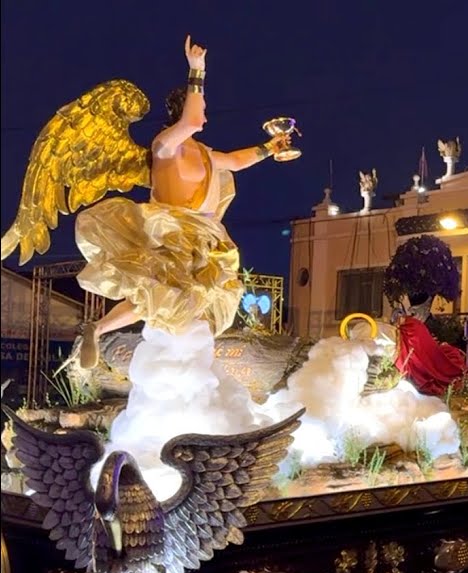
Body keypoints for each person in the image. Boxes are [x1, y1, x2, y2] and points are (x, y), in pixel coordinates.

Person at [1, 36, 293, 369]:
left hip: (206, 234)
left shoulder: (205, 153)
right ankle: (134, 346)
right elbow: (194, 121)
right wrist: (197, 71)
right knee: (169, 292)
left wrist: (271, 147)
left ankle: (106, 332)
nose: (206, 118)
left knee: (168, 297)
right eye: (202, 107)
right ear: (184, 109)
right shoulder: (164, 147)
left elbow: (237, 161)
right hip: (174, 229)